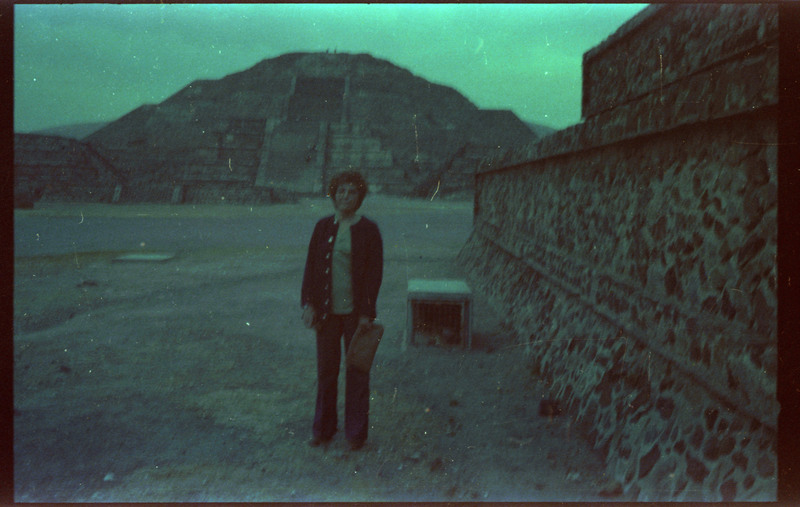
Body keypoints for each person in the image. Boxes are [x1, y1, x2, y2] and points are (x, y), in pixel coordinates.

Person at [301, 171, 383, 451]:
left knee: (357, 371)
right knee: (326, 371)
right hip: (326, 313)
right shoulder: (322, 226)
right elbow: (311, 268)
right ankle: (323, 429)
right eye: (340, 191)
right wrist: (308, 304)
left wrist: (366, 313)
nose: (345, 196)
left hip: (354, 314)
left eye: (351, 192)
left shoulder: (369, 230)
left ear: (360, 196)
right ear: (333, 195)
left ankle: (355, 434)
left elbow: (374, 275)